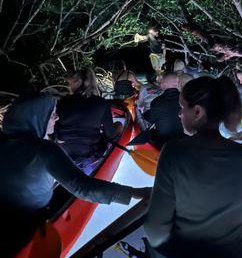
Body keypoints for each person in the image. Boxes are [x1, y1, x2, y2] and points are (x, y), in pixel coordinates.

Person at [144, 76, 242, 258]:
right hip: (237, 253)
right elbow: (241, 211)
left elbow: (155, 231)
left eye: (182, 108)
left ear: (197, 112)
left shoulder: (174, 151)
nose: (179, 114)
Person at [0, 93, 150, 257]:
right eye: (52, 114)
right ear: (37, 117)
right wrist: (135, 192)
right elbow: (83, 188)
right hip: (31, 221)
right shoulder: (44, 149)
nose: (57, 118)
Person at [55, 68, 118, 173]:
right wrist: (118, 125)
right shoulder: (102, 103)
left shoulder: (62, 101)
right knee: (112, 132)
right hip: (89, 150)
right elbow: (110, 134)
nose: (70, 86)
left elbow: (54, 129)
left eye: (71, 83)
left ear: (78, 82)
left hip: (63, 149)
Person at [144, 72, 184, 146]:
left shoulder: (156, 102)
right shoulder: (187, 98)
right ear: (178, 84)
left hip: (165, 144)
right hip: (187, 141)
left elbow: (149, 119)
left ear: (162, 85)